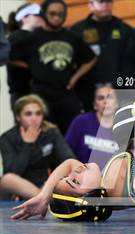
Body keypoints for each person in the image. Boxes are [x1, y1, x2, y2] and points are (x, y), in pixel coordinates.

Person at [9, 0, 97, 134]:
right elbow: (8, 57)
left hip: (65, 95)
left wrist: (75, 77)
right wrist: (31, 66)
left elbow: (91, 58)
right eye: (52, 14)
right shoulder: (32, 38)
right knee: (43, 137)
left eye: (61, 14)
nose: (57, 17)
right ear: (44, 14)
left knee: (70, 137)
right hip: (41, 95)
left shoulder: (71, 37)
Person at [0, 95, 74, 200]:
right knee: (7, 179)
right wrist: (28, 144)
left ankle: (41, 197)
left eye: (38, 114)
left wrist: (53, 181)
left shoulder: (51, 132)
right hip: (18, 186)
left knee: (69, 170)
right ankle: (44, 198)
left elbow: (69, 159)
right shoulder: (7, 137)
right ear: (18, 117)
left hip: (44, 183)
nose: (34, 118)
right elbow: (13, 171)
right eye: (28, 114)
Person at [70, 0, 133, 112]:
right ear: (90, 5)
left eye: (108, 2)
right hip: (86, 94)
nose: (105, 5)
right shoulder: (76, 31)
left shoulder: (126, 30)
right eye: (101, 2)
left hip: (120, 94)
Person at [65, 84, 119, 169]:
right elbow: (66, 153)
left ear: (116, 103)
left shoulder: (125, 127)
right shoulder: (81, 121)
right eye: (101, 98)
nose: (106, 101)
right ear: (95, 105)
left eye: (110, 97)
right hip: (82, 177)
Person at [6, 3, 44, 110]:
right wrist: (33, 66)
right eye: (37, 15)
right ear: (25, 17)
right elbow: (7, 58)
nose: (41, 17)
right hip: (23, 93)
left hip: (38, 92)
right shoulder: (15, 37)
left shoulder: (39, 36)